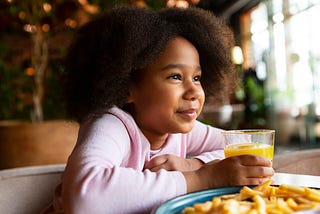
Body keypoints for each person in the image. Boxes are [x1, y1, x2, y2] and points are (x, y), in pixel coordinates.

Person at [50, 5, 274, 214]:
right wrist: (200, 179)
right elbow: (84, 196)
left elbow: (252, 152)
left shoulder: (177, 129)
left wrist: (192, 164)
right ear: (126, 88)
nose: (194, 91)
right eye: (175, 76)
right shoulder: (112, 125)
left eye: (197, 78)